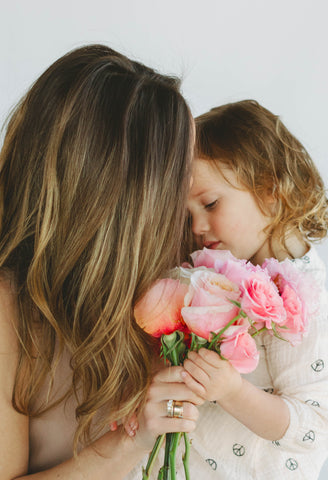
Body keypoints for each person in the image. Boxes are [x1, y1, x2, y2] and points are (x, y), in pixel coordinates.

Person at [0, 44, 204, 479]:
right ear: (134, 196)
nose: (190, 191)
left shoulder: (171, 284)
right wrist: (130, 441)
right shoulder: (8, 307)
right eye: (180, 173)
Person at [181, 100, 328, 479]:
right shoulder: (228, 273)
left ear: (270, 191)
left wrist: (233, 391)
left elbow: (315, 427)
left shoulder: (303, 302)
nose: (197, 226)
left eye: (209, 203)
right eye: (188, 215)